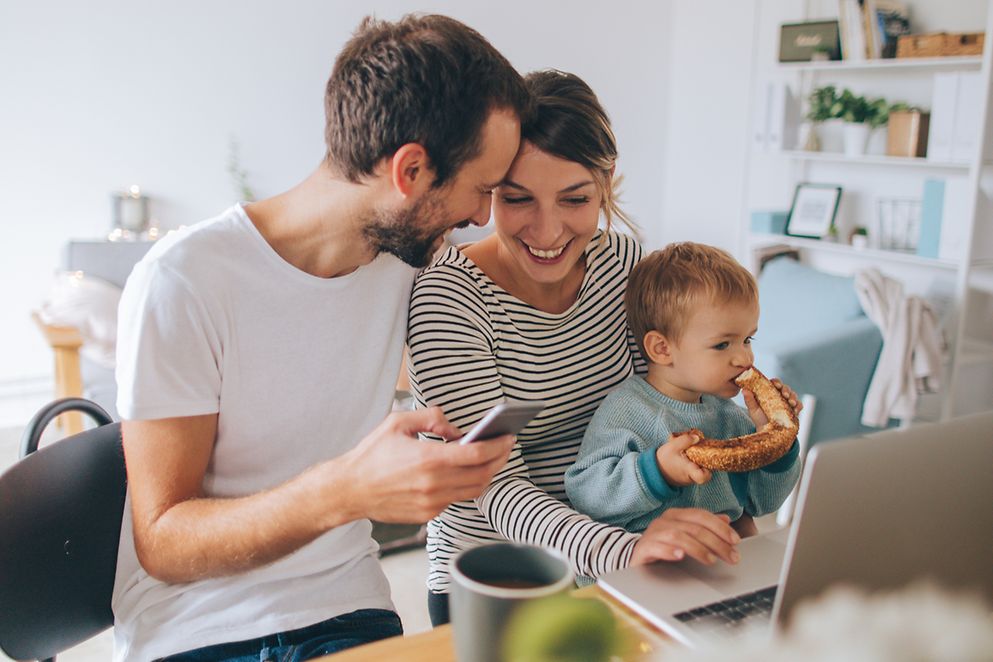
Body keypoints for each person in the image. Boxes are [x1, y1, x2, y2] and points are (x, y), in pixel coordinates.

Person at [113, 15, 532, 661]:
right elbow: (163, 544)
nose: (481, 217)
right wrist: (343, 491)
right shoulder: (184, 281)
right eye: (479, 190)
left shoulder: (414, 261)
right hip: (197, 626)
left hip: (344, 608)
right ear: (411, 170)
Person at [407, 70, 742, 627]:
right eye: (517, 199)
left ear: (606, 183)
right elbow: (498, 488)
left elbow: (662, 410)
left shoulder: (624, 265)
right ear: (490, 190)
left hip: (632, 548)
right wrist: (624, 551)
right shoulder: (449, 297)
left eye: (575, 198)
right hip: (501, 574)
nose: (547, 230)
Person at [564, 242, 802, 537]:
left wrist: (778, 445)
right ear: (662, 349)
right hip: (641, 565)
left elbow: (763, 502)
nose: (745, 358)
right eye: (722, 344)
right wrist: (658, 471)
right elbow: (586, 495)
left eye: (748, 340)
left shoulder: (731, 418)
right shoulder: (626, 410)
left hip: (718, 562)